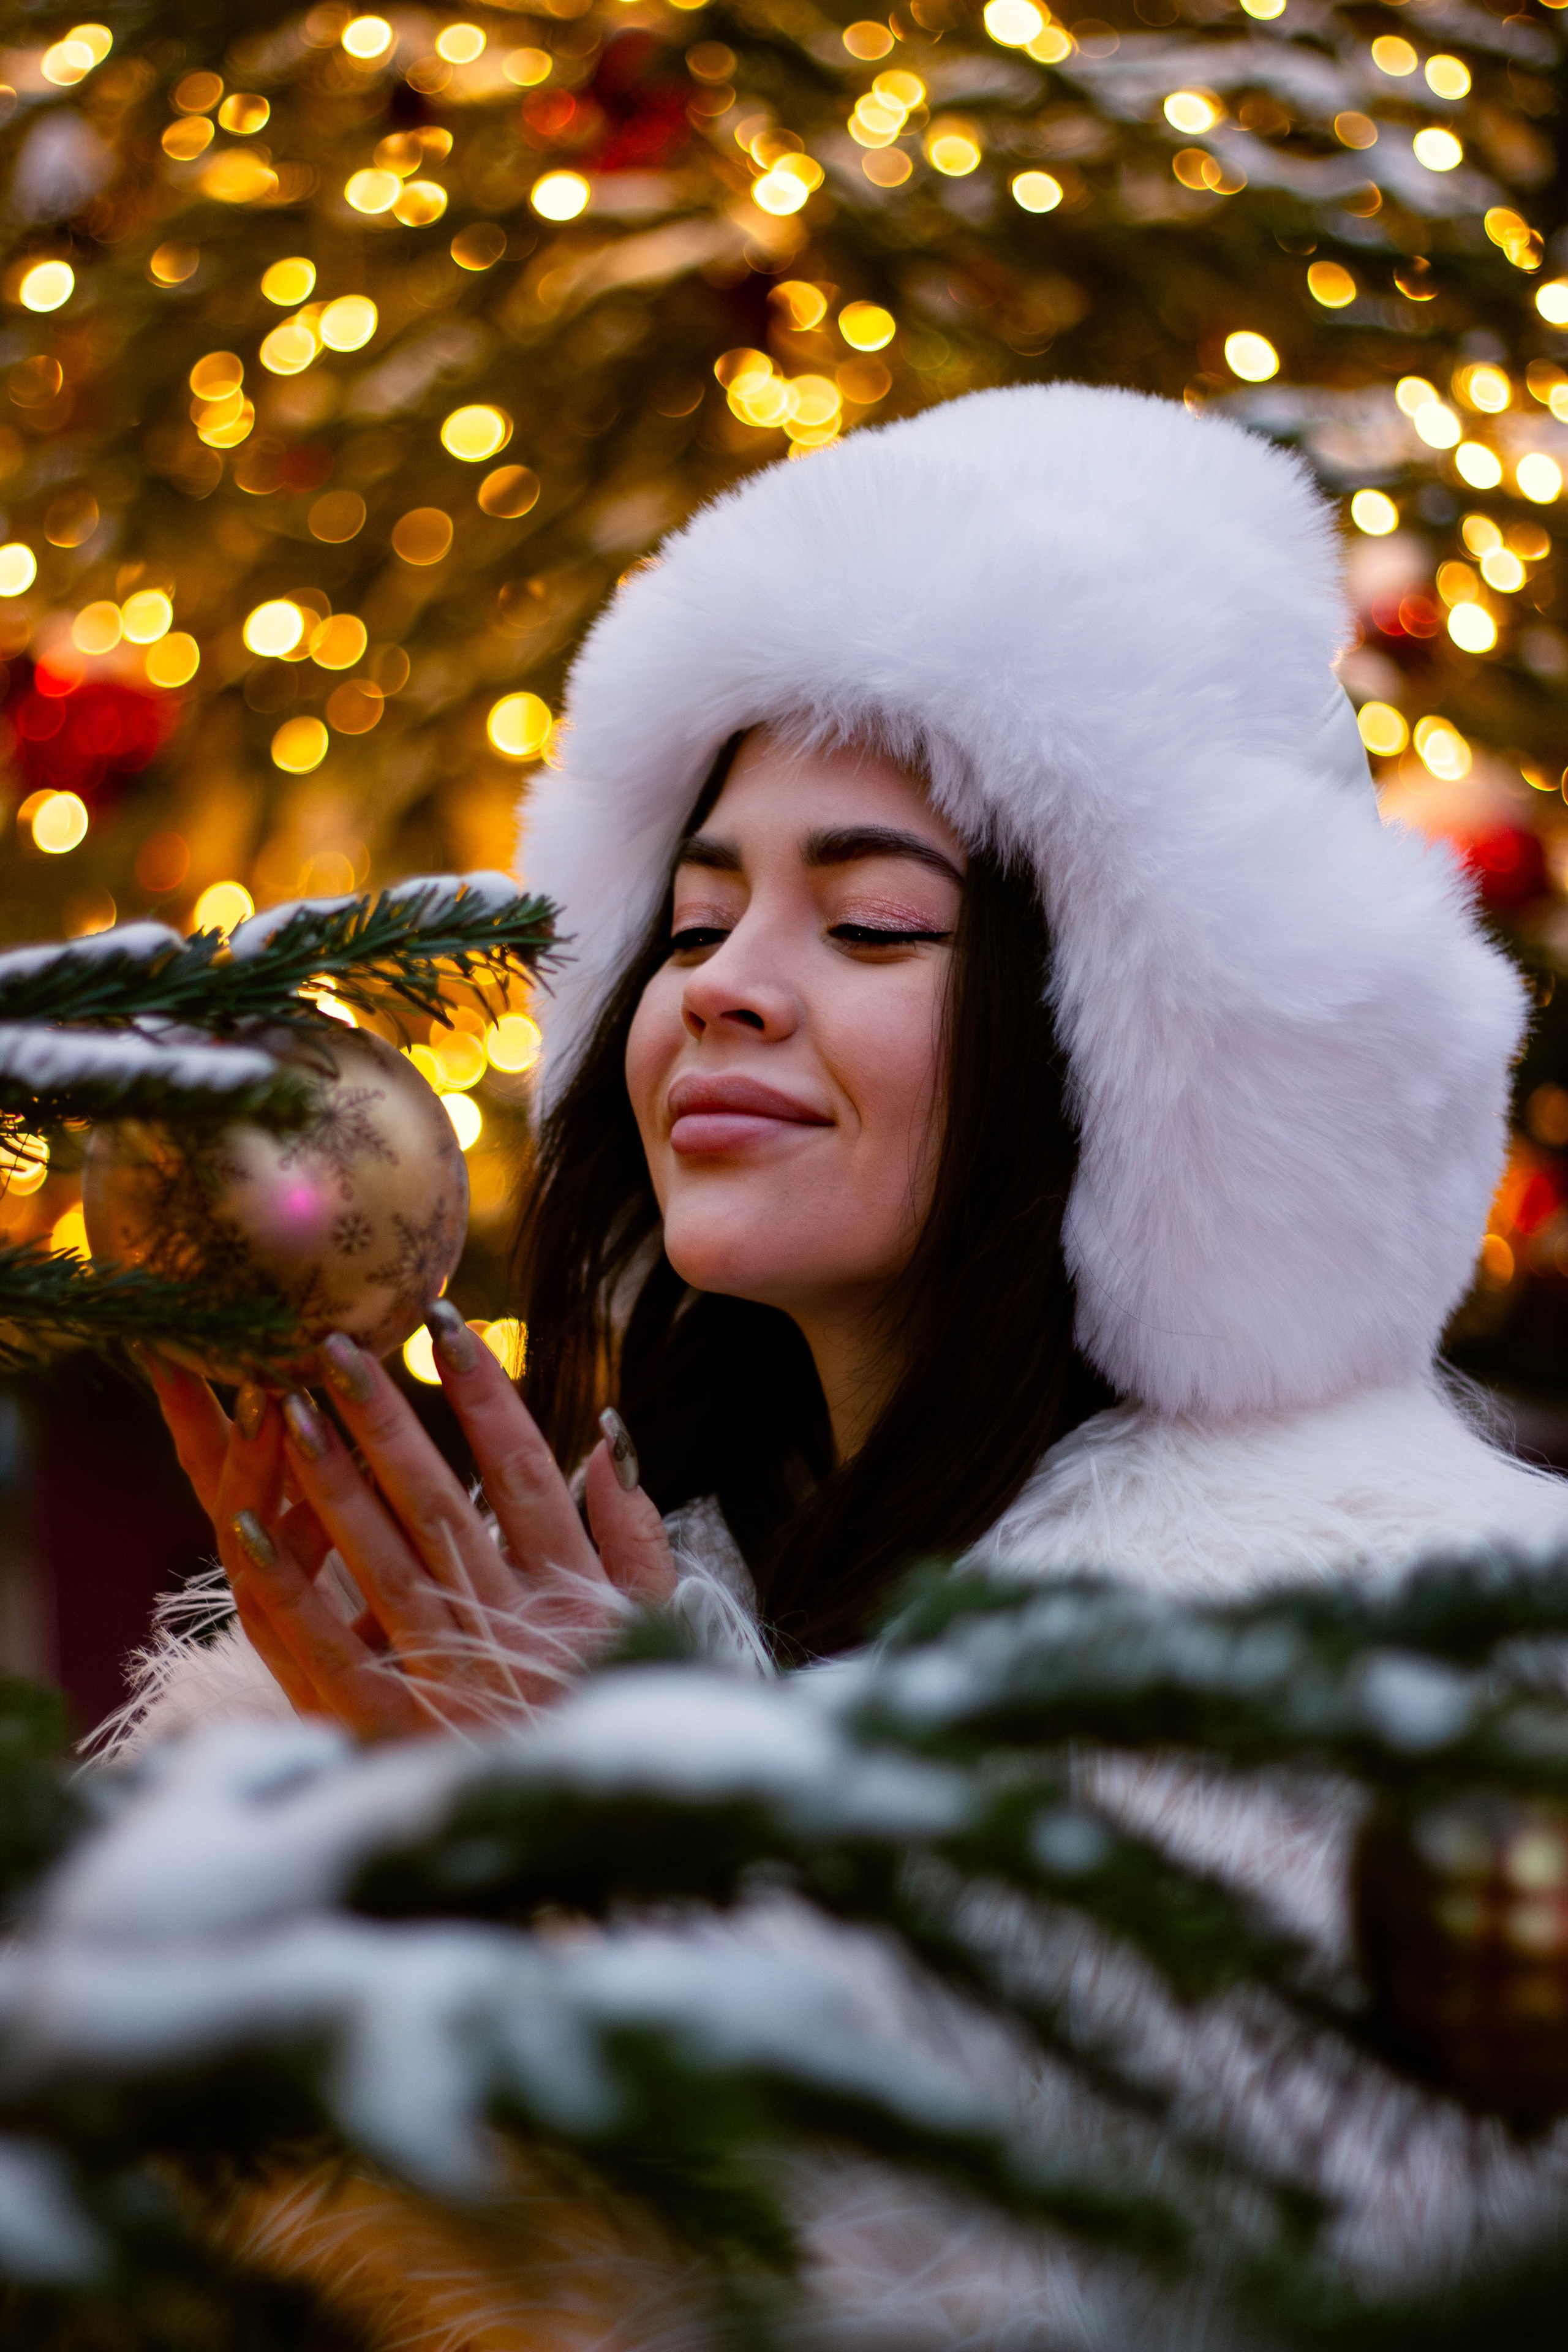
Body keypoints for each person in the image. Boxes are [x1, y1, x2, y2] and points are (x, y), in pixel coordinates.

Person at [124, 383, 1568, 2335]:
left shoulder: (1413, 1672)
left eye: (872, 922)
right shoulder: (622, 1594)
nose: (716, 979)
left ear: (1120, 1047)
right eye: (696, 913)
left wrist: (651, 1906)